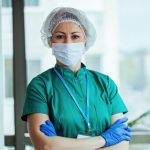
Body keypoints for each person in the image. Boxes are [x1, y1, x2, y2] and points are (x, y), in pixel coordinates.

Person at [21, 7, 131, 150]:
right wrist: (105, 139)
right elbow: (46, 146)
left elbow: (121, 146)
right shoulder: (40, 85)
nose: (68, 43)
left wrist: (61, 145)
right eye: (60, 36)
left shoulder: (105, 83)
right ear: (50, 41)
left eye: (75, 36)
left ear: (86, 40)